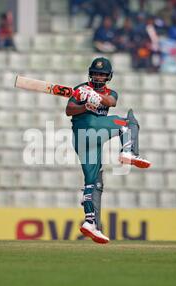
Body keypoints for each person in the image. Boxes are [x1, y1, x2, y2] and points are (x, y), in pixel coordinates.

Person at [65, 57, 151, 244]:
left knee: (93, 182)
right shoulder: (81, 88)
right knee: (128, 123)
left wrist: (96, 97)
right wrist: (84, 105)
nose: (98, 77)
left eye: (102, 75)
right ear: (90, 73)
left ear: (108, 77)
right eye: (95, 73)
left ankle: (90, 223)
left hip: (90, 140)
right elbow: (69, 110)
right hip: (84, 129)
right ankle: (129, 151)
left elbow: (111, 102)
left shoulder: (111, 92)